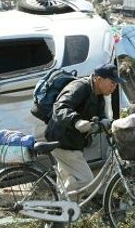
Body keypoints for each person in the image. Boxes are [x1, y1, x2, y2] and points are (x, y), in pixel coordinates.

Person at [45, 63, 125, 195]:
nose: (114, 87)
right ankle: (60, 203)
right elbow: (59, 108)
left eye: (116, 84)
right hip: (62, 140)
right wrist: (76, 121)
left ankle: (63, 210)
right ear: (99, 79)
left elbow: (98, 118)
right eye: (112, 82)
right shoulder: (79, 87)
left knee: (69, 179)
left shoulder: (99, 96)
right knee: (86, 180)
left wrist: (105, 122)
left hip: (73, 142)